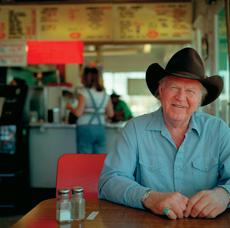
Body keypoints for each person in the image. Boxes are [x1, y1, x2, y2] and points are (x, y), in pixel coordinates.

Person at [98, 47, 230, 219]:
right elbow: (109, 182)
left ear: (200, 98)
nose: (181, 97)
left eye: (190, 91)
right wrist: (149, 198)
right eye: (174, 87)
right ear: (160, 90)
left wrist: (224, 194)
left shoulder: (218, 130)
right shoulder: (135, 129)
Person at [66, 67, 114, 154]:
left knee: (85, 159)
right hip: (101, 128)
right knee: (99, 160)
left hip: (85, 128)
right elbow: (110, 114)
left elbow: (78, 113)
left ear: (85, 78)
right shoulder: (105, 94)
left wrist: (70, 107)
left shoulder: (83, 93)